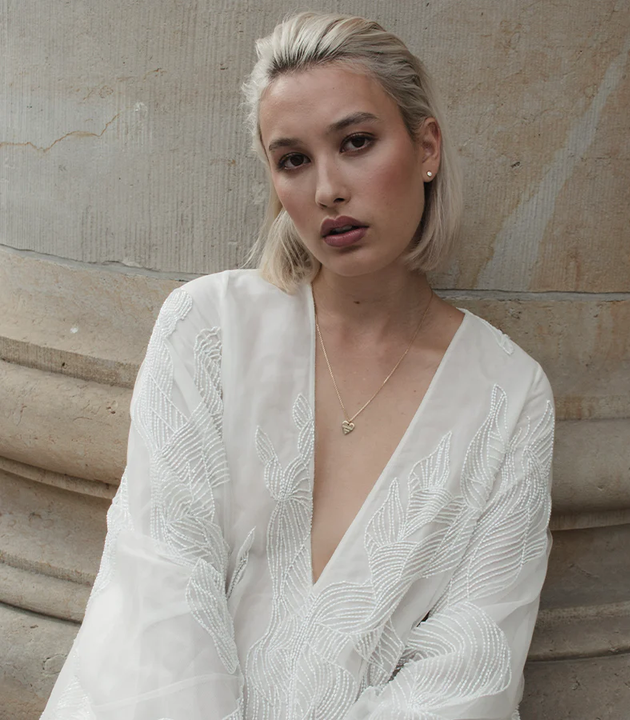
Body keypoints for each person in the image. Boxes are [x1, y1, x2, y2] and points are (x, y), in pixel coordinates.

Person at [41, 12, 554, 720]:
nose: (327, 190)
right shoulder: (208, 329)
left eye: (356, 143)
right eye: (293, 160)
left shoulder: (510, 393)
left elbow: (471, 668)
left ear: (426, 147)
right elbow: (157, 586)